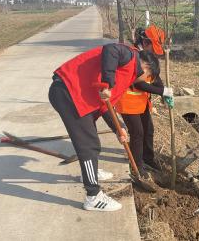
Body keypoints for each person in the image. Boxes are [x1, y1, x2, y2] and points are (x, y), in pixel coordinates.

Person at [49, 42, 159, 211]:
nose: (145, 81)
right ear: (146, 68)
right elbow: (110, 49)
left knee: (89, 135)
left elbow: (105, 104)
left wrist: (118, 128)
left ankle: (91, 172)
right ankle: (93, 196)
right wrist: (108, 83)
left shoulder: (126, 75)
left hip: (75, 96)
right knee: (89, 144)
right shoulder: (131, 56)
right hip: (68, 91)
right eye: (148, 77)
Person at [115, 25, 173, 176]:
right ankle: (137, 165)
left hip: (141, 101)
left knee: (148, 130)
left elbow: (155, 77)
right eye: (153, 49)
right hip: (127, 101)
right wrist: (162, 91)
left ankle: (148, 158)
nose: (155, 53)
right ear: (146, 42)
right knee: (137, 133)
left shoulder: (147, 57)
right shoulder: (133, 56)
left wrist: (164, 93)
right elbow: (138, 83)